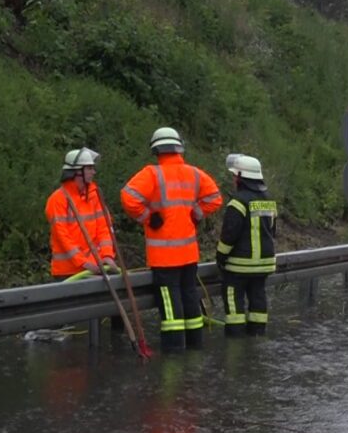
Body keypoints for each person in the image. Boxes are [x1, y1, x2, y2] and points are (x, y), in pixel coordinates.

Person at [122, 127, 223, 351]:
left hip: (164, 257)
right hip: (188, 254)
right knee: (190, 296)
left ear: (156, 150)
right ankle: (195, 347)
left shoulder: (152, 174)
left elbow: (128, 196)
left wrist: (148, 217)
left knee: (170, 304)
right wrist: (196, 213)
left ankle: (174, 354)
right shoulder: (194, 173)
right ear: (179, 148)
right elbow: (215, 198)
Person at [216, 154, 278, 337]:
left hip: (239, 266)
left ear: (241, 177)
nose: (233, 179)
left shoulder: (238, 202)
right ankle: (256, 339)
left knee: (234, 304)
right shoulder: (268, 200)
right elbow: (272, 231)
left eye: (235, 175)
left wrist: (220, 257)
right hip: (264, 264)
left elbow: (229, 236)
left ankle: (236, 344)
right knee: (258, 300)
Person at [45, 147, 116, 278]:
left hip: (96, 268)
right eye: (89, 168)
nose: (93, 172)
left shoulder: (94, 196)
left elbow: (104, 228)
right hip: (68, 272)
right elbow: (62, 237)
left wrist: (107, 255)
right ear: (77, 171)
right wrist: (83, 262)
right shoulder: (58, 199)